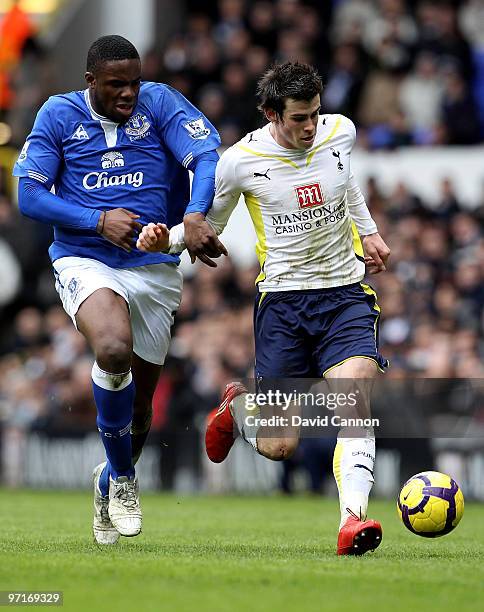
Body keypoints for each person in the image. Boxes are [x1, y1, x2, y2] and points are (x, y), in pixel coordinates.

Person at [137, 61, 390, 556]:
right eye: (299, 118)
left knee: (353, 398)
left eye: (315, 113)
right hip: (284, 308)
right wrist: (160, 240)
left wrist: (371, 230)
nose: (311, 126)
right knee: (279, 446)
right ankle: (238, 407)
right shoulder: (240, 161)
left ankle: (351, 522)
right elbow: (206, 225)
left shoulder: (341, 132)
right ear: (272, 113)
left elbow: (346, 181)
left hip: (344, 295)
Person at [13, 35, 225, 545]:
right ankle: (127, 481)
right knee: (112, 349)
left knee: (139, 410)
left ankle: (108, 476)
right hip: (85, 259)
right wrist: (96, 219)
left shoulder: (160, 102)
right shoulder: (59, 114)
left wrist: (191, 215)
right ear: (91, 82)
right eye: (116, 85)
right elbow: (29, 193)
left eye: (134, 81)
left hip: (153, 265)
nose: (129, 93)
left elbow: (207, 155)